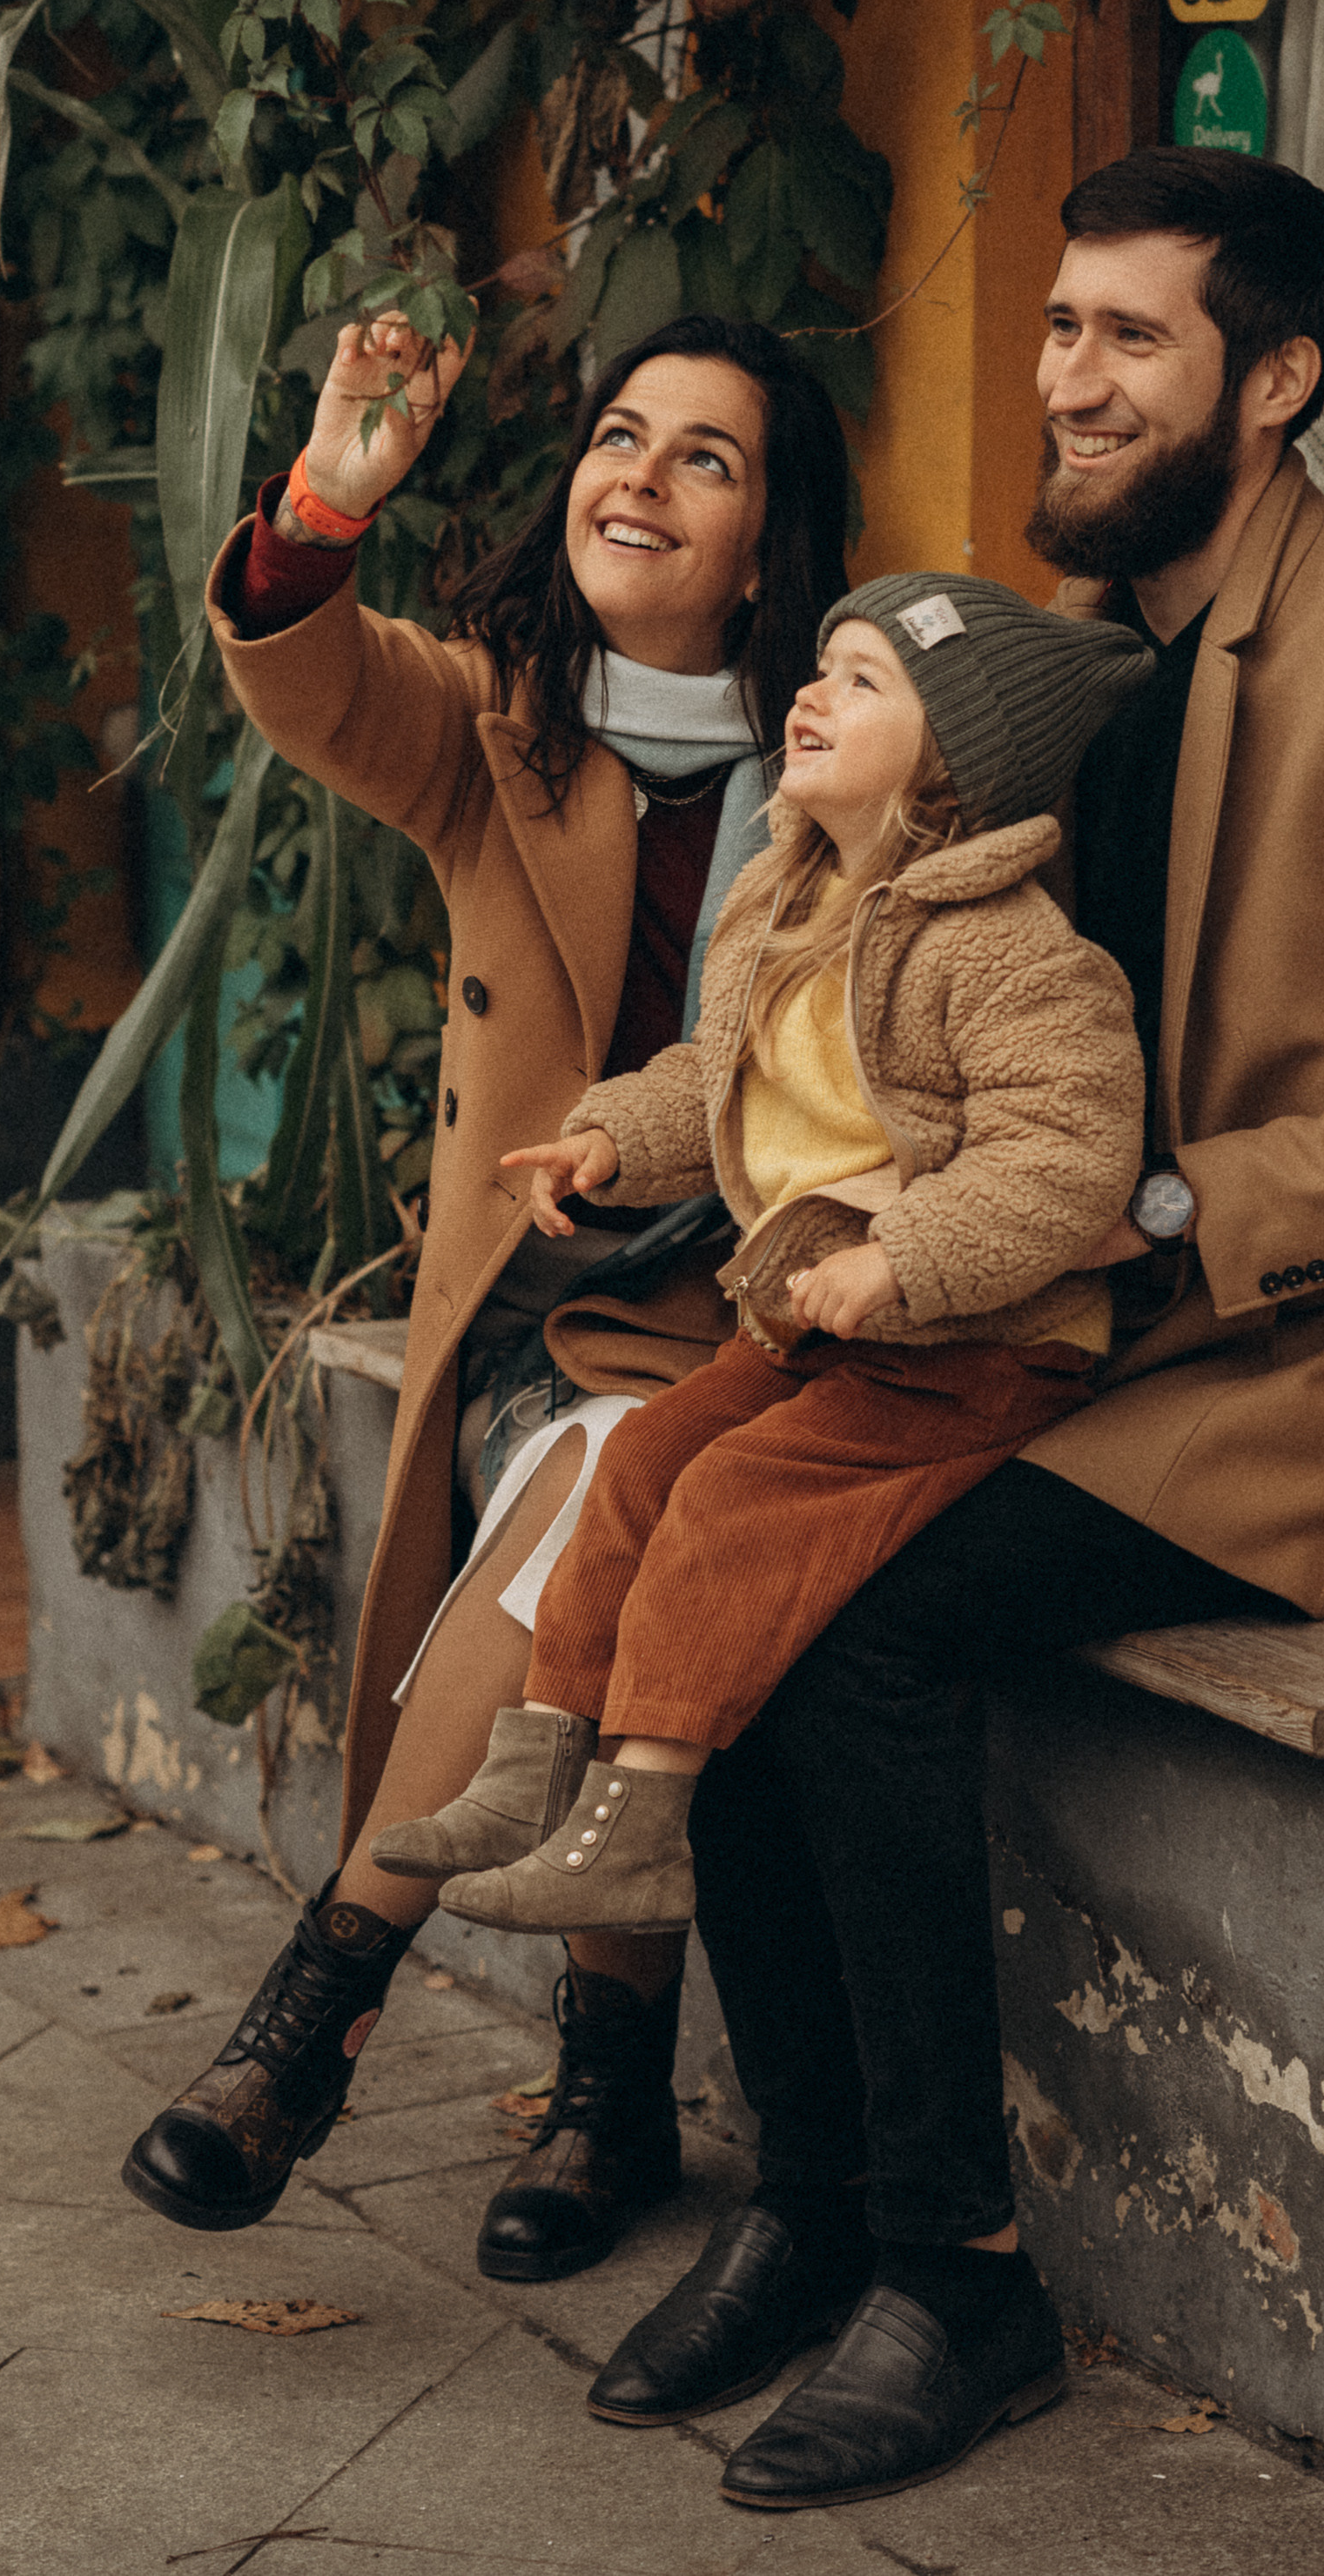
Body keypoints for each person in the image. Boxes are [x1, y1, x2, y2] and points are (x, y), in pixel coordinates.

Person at [578, 150, 1324, 2512]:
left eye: (1124, 339)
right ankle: (813, 2205)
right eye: (1054, 326)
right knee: (707, 1551)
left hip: (1289, 1372)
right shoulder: (1065, 653)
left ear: (1274, 381)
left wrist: (1170, 1206)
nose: (1061, 375)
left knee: (849, 1630)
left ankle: (955, 2273)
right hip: (1021, 1312)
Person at [122, 310, 853, 2274]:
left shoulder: (861, 770)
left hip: (784, 1308)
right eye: (620, 436)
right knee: (613, 1479)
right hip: (556, 1295)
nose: (638, 474)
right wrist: (321, 504)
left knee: (629, 1496)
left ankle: (326, 2011)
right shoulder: (498, 727)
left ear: (774, 537)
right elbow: (312, 679)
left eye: (705, 454)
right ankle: (596, 2088)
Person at [367, 575, 1152, 1937]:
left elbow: (1064, 1161)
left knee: (726, 1500)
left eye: (862, 680)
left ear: (955, 762)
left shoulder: (1012, 954)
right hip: (817, 1323)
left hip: (974, 1346)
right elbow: (715, 1079)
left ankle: (639, 1825)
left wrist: (902, 1257)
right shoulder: (778, 903)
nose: (810, 692)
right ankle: (534, 1767)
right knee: (640, 1465)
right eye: (818, 664)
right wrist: (607, 1138)